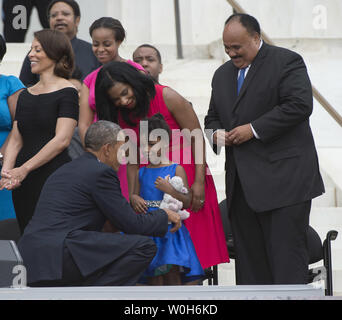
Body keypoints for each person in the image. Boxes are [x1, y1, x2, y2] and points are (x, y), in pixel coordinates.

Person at [204, 13, 325, 285]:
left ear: (256, 38)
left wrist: (253, 129)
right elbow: (211, 118)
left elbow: (299, 105)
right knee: (249, 266)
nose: (232, 53)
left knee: (286, 259)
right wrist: (217, 135)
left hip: (285, 182)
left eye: (237, 47)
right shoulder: (222, 75)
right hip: (242, 188)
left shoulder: (286, 62)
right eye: (227, 48)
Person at [95, 61, 229, 270]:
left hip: (188, 178)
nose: (123, 100)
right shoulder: (121, 113)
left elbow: (197, 138)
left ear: (133, 81)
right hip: (151, 185)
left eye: (125, 92)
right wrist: (133, 194)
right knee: (161, 261)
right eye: (116, 99)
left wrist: (200, 182)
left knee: (194, 255)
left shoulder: (167, 96)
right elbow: (131, 158)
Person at [17, 120, 181, 287]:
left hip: (31, 256)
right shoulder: (101, 173)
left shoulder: (64, 170)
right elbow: (132, 224)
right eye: (121, 149)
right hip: (60, 253)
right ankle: (95, 295)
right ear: (107, 149)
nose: (124, 156)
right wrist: (164, 214)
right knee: (144, 247)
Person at [0, 29, 78, 234]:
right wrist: (7, 172)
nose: (30, 55)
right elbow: (16, 137)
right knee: (26, 232)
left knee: (50, 234)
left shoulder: (68, 91)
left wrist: (24, 169)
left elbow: (62, 139)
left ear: (54, 53)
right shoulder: (26, 94)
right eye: (30, 49)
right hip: (22, 180)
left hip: (52, 175)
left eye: (37, 49)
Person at [131, 113, 204, 285]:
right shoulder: (140, 172)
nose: (146, 149)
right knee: (153, 275)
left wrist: (170, 190)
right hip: (148, 228)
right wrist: (133, 198)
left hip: (171, 231)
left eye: (151, 144)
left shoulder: (176, 169)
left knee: (172, 273)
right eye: (143, 145)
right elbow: (134, 197)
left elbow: (186, 201)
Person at [78, 17, 145, 200]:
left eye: (107, 44)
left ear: (119, 41)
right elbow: (84, 125)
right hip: (105, 152)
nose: (100, 50)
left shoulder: (135, 71)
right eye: (95, 44)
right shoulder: (90, 79)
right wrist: (97, 154)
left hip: (137, 148)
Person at [19, 0, 100, 86]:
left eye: (65, 14)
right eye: (54, 15)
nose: (59, 18)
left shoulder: (93, 52)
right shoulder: (36, 52)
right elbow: (24, 87)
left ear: (77, 20)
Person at [0, 35, 25, 220]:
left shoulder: (11, 83)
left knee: (7, 222)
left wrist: (2, 155)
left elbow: (21, 124)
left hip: (7, 160)